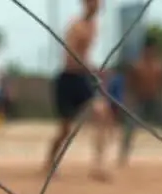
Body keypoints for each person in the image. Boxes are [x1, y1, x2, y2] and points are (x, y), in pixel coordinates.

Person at [45, 0, 112, 181]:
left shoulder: (93, 26)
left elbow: (85, 56)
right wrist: (92, 69)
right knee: (65, 129)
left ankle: (98, 166)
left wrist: (94, 70)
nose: (96, 5)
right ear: (85, 3)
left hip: (82, 78)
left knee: (101, 112)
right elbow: (72, 57)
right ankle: (49, 161)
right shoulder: (76, 26)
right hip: (68, 79)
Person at [119, 32, 162, 167]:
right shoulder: (137, 65)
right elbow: (130, 86)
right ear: (145, 50)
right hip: (140, 100)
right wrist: (128, 102)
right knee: (130, 127)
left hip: (155, 100)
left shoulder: (160, 65)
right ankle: (122, 156)